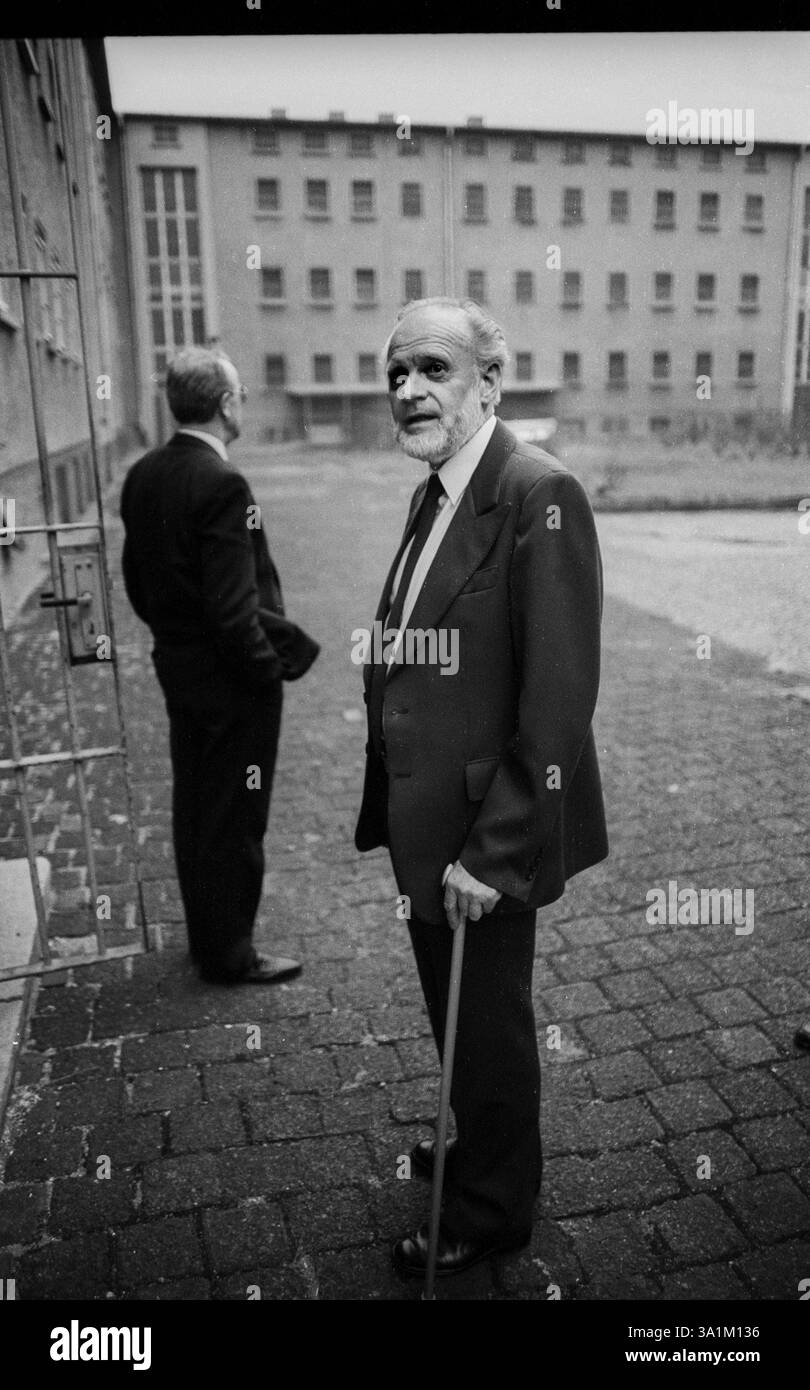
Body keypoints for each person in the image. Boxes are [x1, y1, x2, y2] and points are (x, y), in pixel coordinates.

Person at [355, 298, 608, 1277]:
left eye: (432, 369)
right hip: (431, 813)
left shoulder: (539, 491)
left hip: (484, 832)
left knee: (488, 1024)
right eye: (394, 375)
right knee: (452, 1006)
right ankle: (477, 1142)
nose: (407, 390)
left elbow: (558, 702)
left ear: (490, 383)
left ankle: (495, 1208)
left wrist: (492, 854)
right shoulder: (439, 484)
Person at [120, 346, 319, 985]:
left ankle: (208, 938)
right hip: (232, 682)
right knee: (235, 816)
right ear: (227, 403)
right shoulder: (223, 483)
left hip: (179, 668)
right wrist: (264, 673)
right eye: (240, 395)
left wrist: (174, 640)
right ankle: (231, 954)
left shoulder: (143, 473)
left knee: (196, 805)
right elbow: (236, 610)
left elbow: (136, 581)